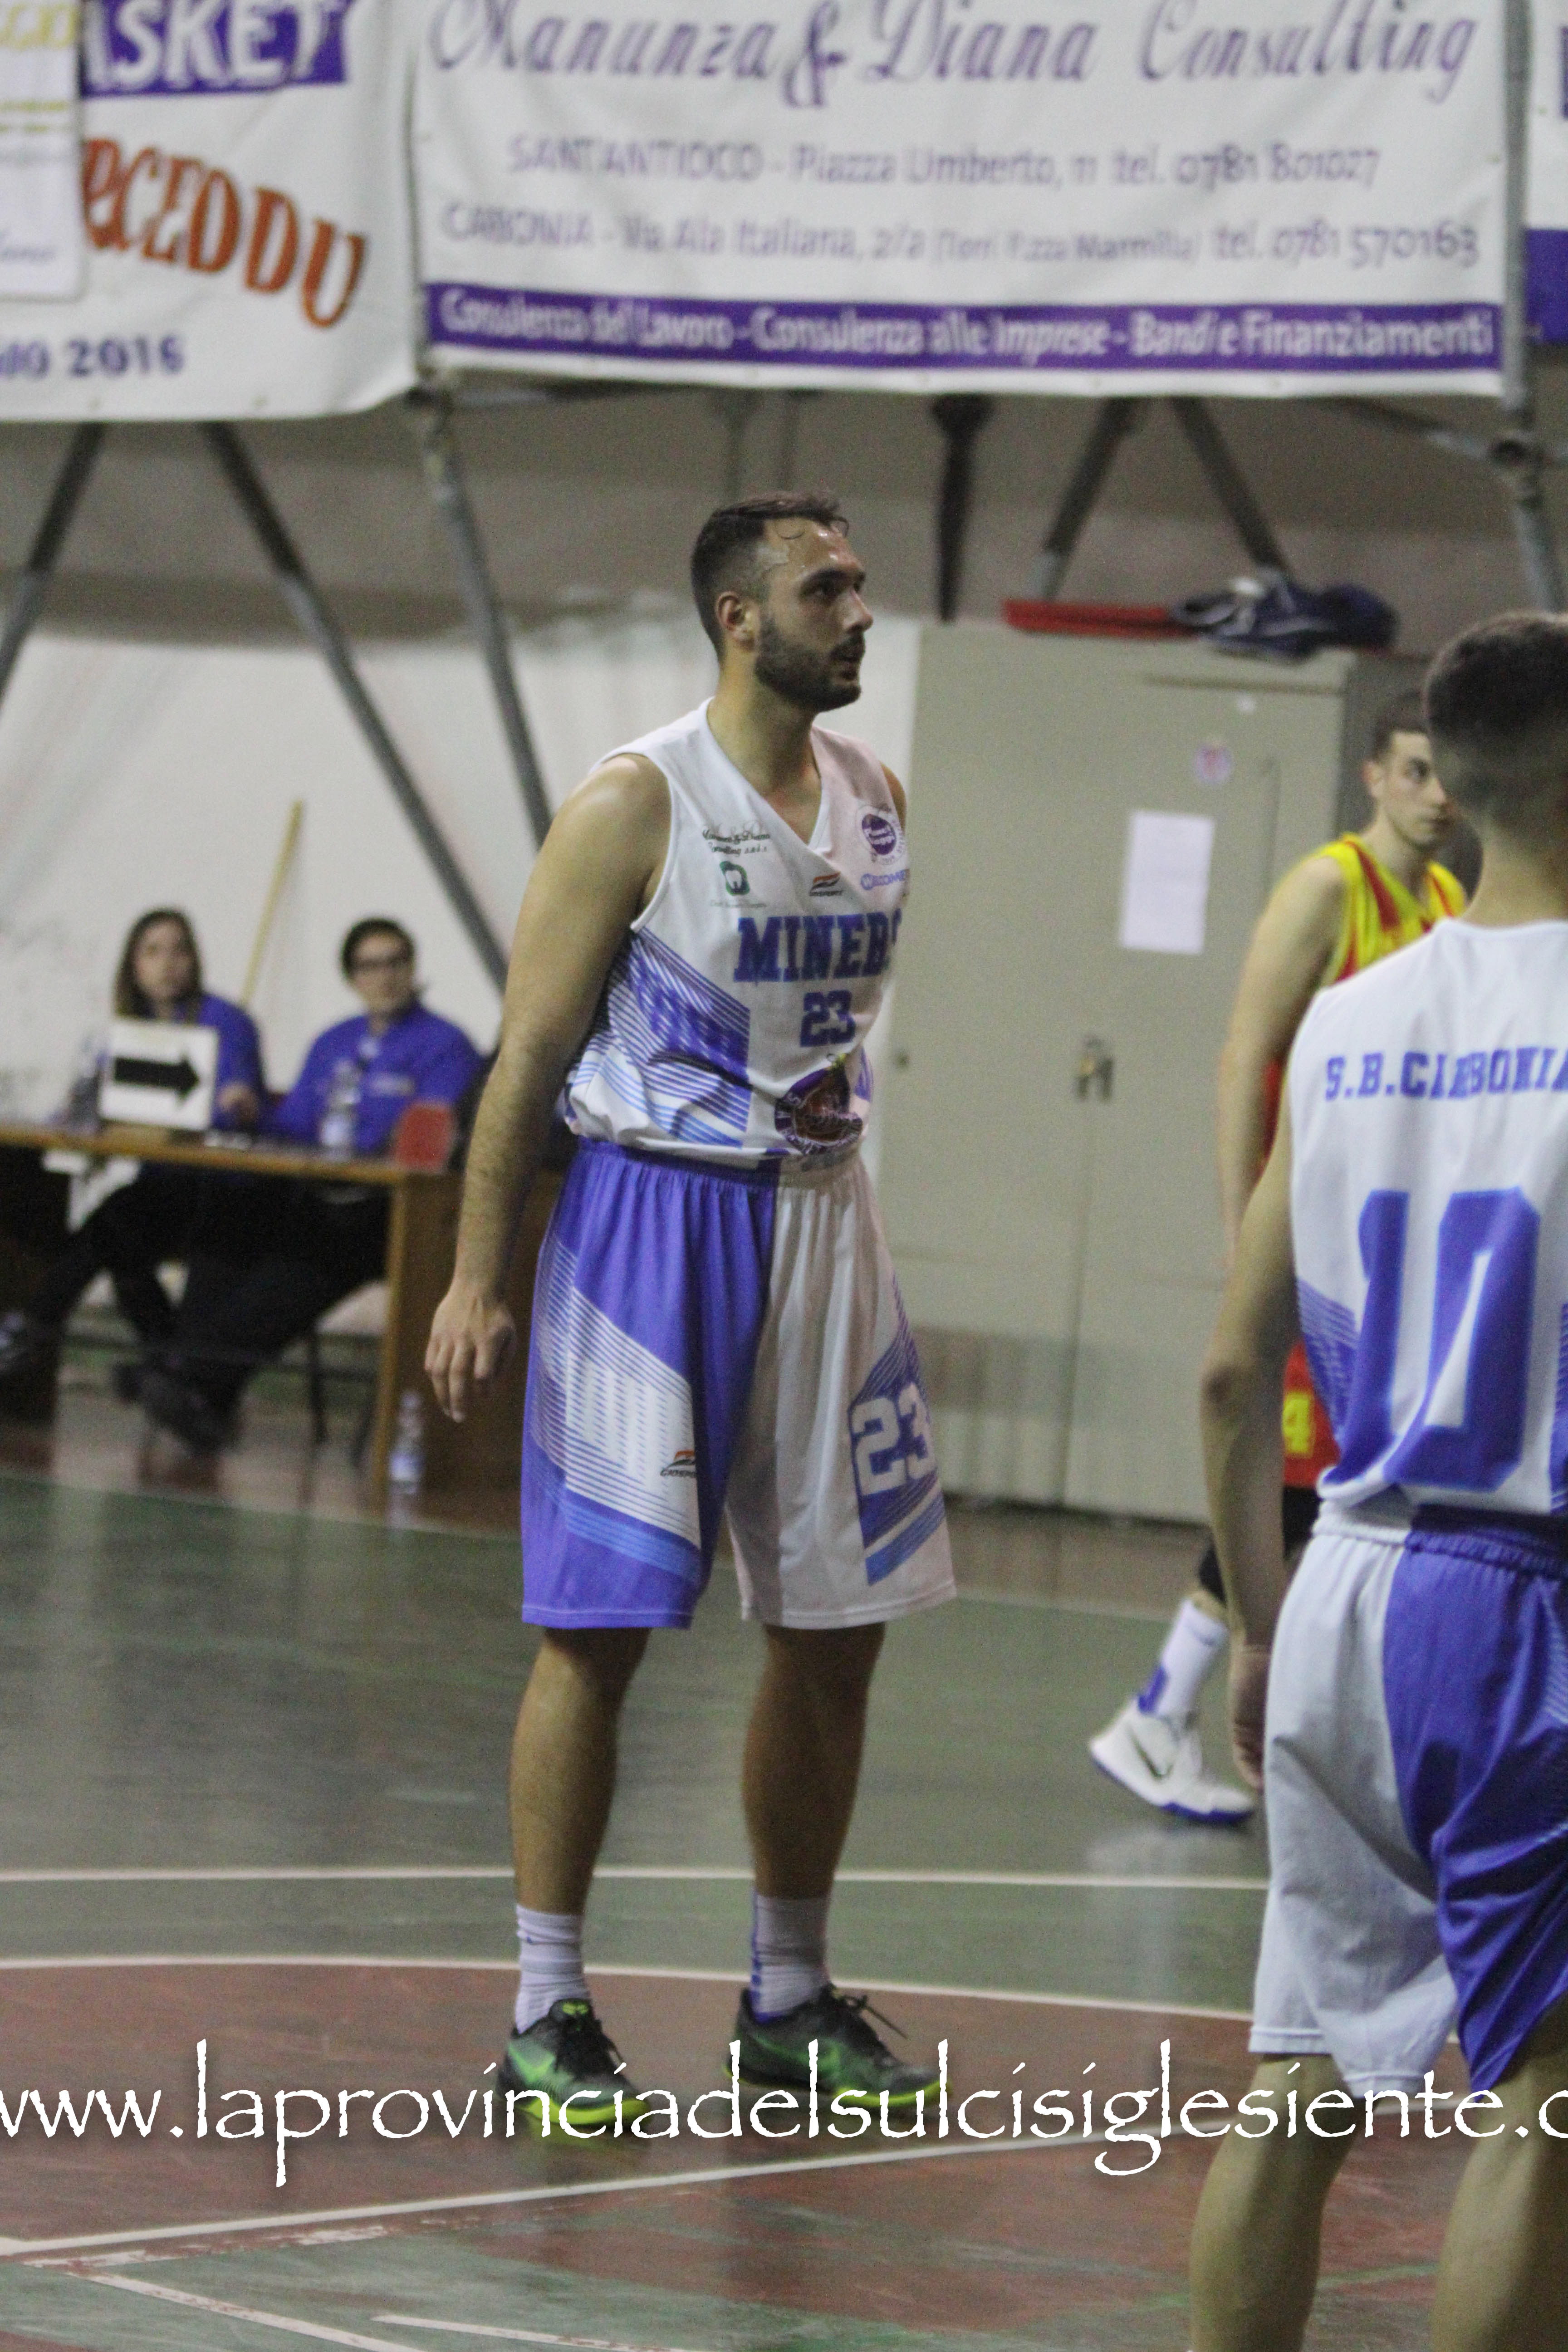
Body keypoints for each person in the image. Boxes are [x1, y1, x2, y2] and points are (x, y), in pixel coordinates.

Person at [425, 493, 954, 2131]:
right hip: (651, 1225)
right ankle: (546, 2007)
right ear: (740, 617)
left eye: (859, 583)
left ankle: (786, 1995)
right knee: (596, 1627)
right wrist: (476, 1272)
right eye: (827, 587)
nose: (859, 611)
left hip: (826, 1223)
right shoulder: (633, 803)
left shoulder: (876, 795)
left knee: (839, 1634)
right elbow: (529, 1052)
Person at [1186, 614, 1568, 2352]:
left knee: (1300, 2072)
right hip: (1525, 1599)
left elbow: (1226, 1367)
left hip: (1346, 1578)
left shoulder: (1347, 1021)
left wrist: (1257, 1624)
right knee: (1542, 2092)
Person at [1090, 691, 1465, 1823]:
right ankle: (1160, 1711)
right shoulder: (1327, 889)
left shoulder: (1449, 902)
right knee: (1291, 1490)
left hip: (1384, 1252)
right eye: (1413, 770)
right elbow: (1241, 1056)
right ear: (1372, 776)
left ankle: (1189, 1712)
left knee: (1333, 1494)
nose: (1435, 793)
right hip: (1304, 1238)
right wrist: (1239, 1226)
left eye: (1447, 771)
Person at [142, 918, 481, 1451]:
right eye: (370, 965)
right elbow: (293, 1128)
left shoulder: (447, 1045)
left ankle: (188, 1373)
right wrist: (252, 1114)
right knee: (230, 1209)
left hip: (390, 1210)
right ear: (352, 977)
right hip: (317, 1192)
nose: (385, 975)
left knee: (317, 1247)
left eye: (396, 962)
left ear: (413, 968)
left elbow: (426, 1140)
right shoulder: (333, 1042)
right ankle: (202, 1389)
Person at [0, 908, 264, 1387]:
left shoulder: (227, 1021)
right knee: (119, 1238)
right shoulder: (124, 1030)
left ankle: (34, 1327)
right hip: (162, 1184)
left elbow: (237, 1107)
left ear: (195, 959)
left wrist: (235, 1104)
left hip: (221, 1189)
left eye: (179, 950)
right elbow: (92, 1104)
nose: (167, 964)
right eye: (153, 952)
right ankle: (167, 1364)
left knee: (114, 1227)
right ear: (133, 965)